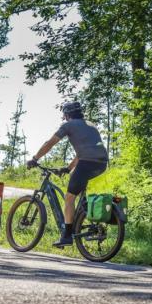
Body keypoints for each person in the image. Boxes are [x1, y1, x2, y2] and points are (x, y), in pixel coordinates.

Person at [27, 101, 108, 247]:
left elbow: (49, 143)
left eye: (64, 115)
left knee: (69, 198)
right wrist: (68, 168)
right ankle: (82, 213)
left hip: (87, 163)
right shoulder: (90, 125)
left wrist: (35, 159)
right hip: (101, 163)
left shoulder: (68, 125)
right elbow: (81, 153)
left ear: (67, 115)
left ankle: (66, 236)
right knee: (77, 185)